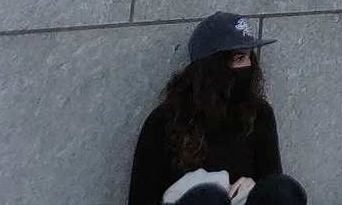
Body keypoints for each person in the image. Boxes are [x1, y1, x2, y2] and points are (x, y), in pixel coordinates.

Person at [128, 12, 306, 205]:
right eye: (239, 58)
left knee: (283, 189)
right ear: (212, 68)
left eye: (248, 57)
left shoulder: (258, 114)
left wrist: (252, 186)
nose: (248, 65)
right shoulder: (163, 121)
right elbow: (141, 197)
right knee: (208, 198)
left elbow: (271, 182)